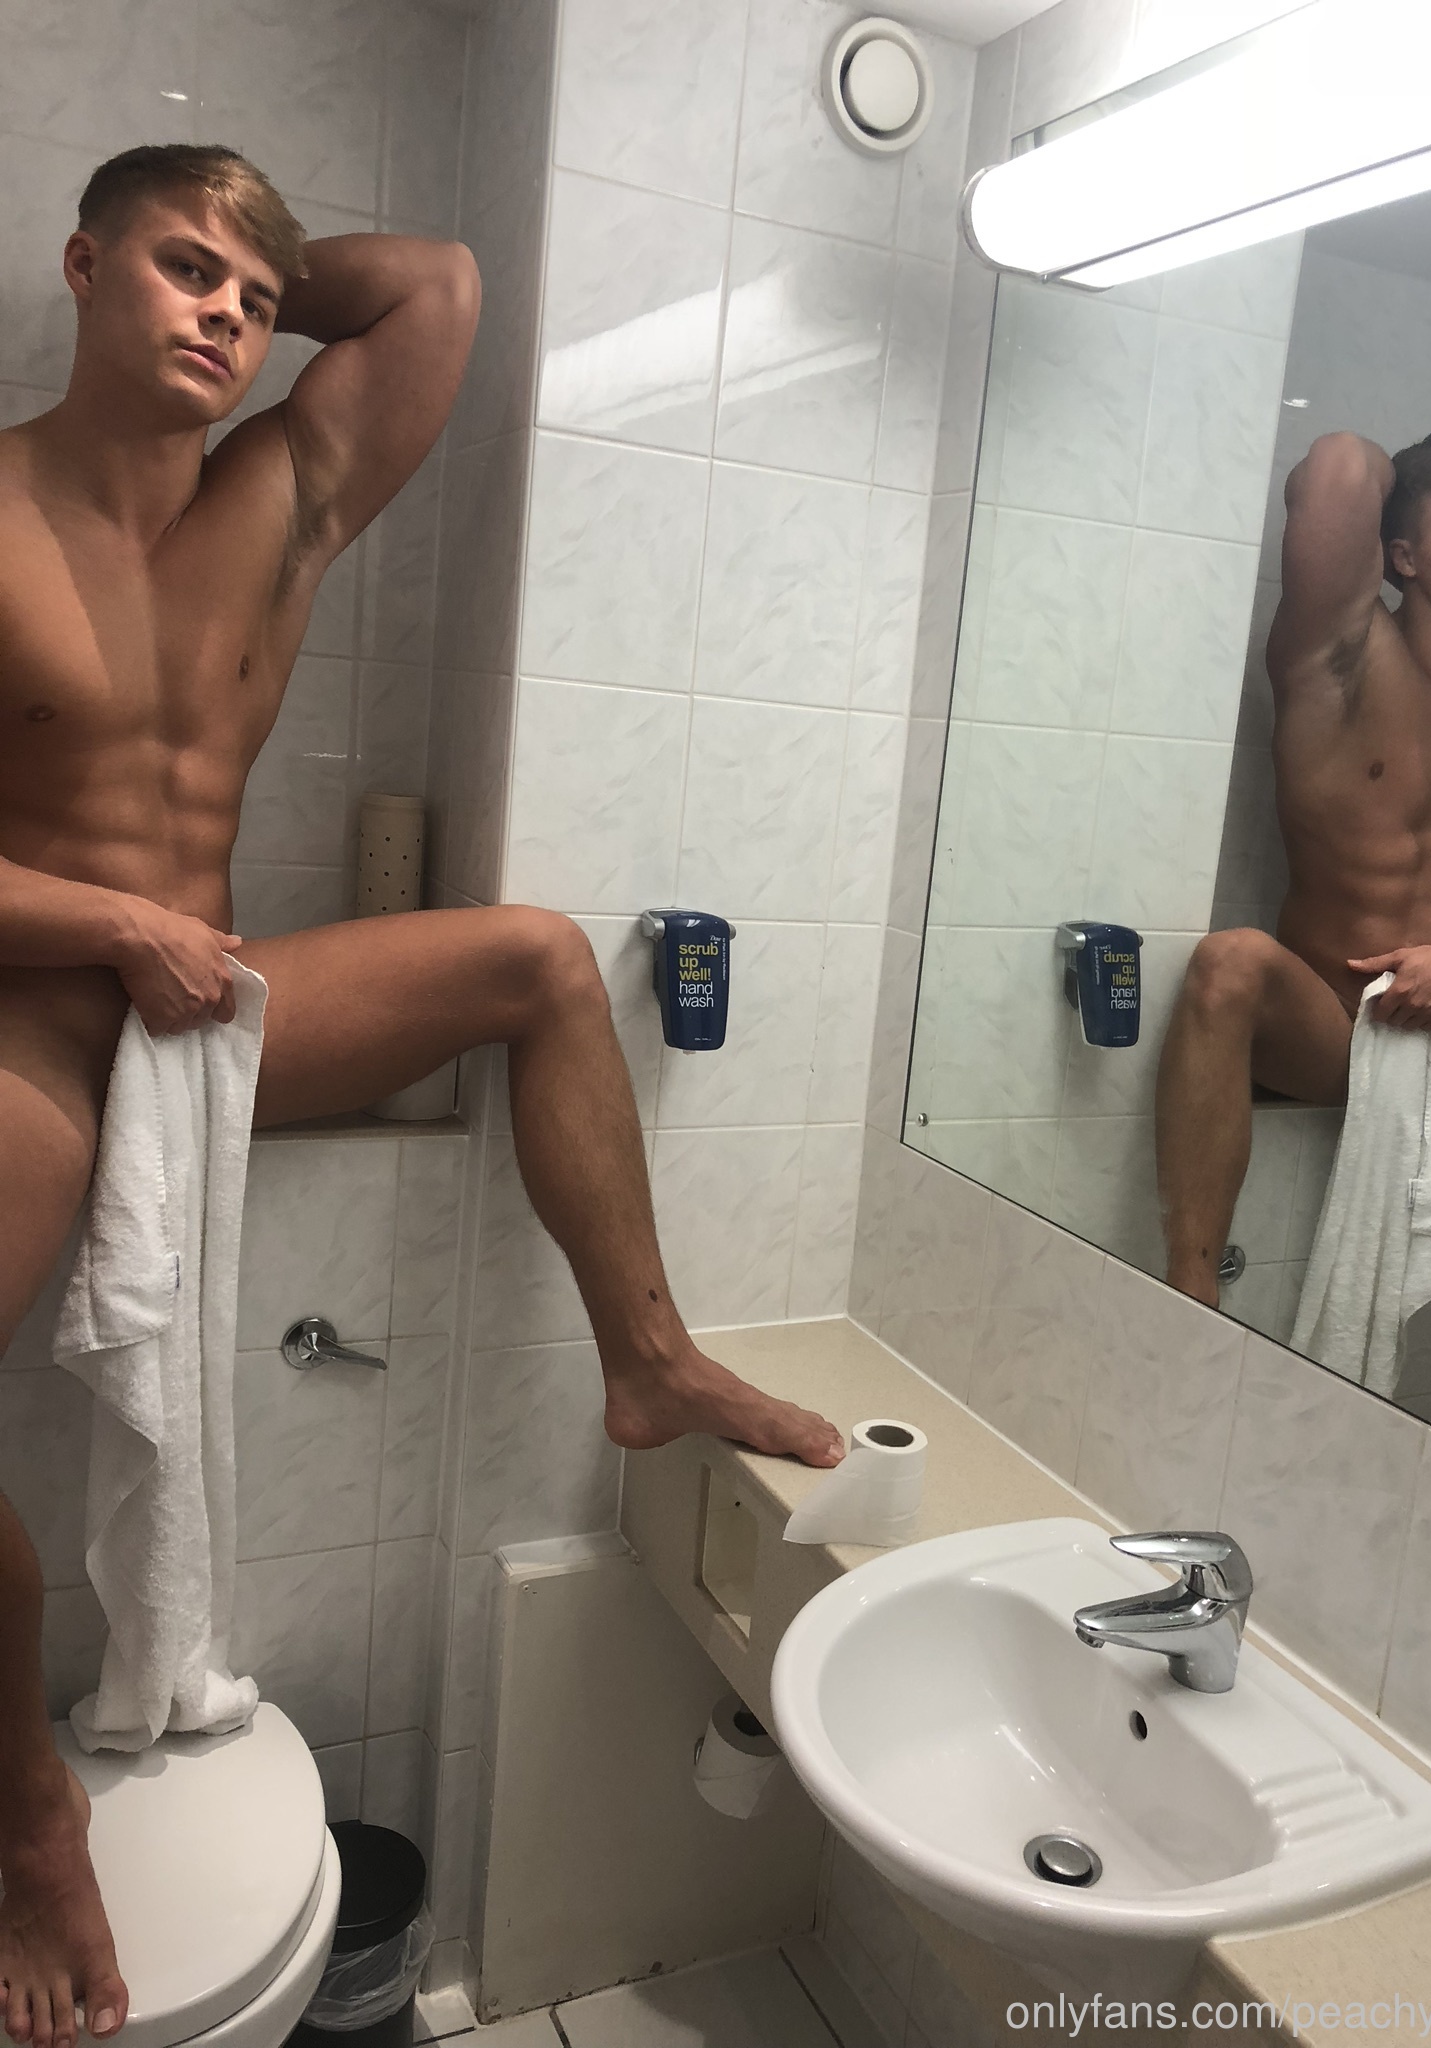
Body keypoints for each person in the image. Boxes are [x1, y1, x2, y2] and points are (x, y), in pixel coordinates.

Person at [0, 144, 844, 2048]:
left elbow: (439, 285)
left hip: (205, 1009)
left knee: (538, 959)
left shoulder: (280, 494)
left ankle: (650, 1361)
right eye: (182, 269)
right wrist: (111, 921)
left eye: (252, 292)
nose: (226, 311)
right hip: (34, 1016)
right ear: (80, 263)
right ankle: (34, 1816)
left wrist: (252, 262)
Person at [1156, 424, 1431, 1477]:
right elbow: (1338, 469)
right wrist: (1412, 470)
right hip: (1328, 1011)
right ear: (1400, 554)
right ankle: (1188, 1308)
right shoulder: (1332, 655)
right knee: (1229, 962)